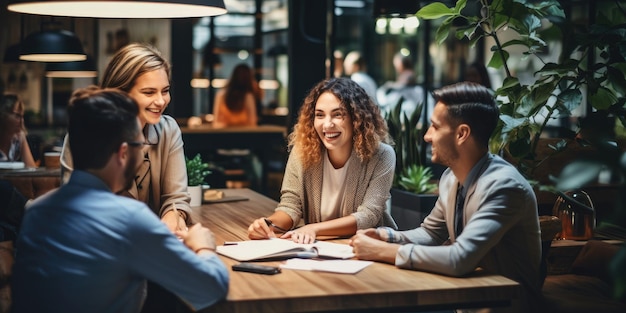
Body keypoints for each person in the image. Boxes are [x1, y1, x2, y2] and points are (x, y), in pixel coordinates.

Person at [11, 87, 229, 313]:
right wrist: (203, 245)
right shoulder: (129, 219)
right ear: (124, 152)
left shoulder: (35, 213)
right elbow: (211, 287)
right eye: (139, 145)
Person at [350, 82, 542, 313]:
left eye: (434, 126)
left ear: (462, 134)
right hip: (467, 300)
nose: (426, 136)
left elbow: (460, 258)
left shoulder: (504, 187)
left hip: (507, 305)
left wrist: (381, 251)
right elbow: (431, 233)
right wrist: (386, 236)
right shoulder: (451, 178)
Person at [247, 77, 397, 244]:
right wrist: (268, 226)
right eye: (319, 115)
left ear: (356, 118)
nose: (327, 124)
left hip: (368, 249)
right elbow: (290, 206)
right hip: (319, 247)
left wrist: (313, 228)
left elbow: (368, 216)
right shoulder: (303, 151)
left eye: (337, 114)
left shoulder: (382, 155)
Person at [61, 43, 188, 232]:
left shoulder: (168, 129)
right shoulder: (85, 134)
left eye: (165, 90)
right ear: (121, 93)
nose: (161, 101)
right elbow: (77, 204)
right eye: (149, 92)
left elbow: (176, 199)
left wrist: (170, 220)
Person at [377, 52, 426, 118]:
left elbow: (404, 85)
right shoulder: (404, 74)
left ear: (401, 63)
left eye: (396, 62)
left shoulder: (408, 74)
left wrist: (392, 85)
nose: (395, 66)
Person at [212, 63, 258, 128]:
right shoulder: (248, 96)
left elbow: (216, 122)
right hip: (243, 136)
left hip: (224, 135)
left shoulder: (221, 95)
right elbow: (252, 123)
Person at [0, 93, 36, 167]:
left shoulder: (18, 138)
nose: (21, 121)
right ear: (3, 116)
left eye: (22, 116)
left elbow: (31, 168)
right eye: (17, 116)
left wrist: (23, 139)